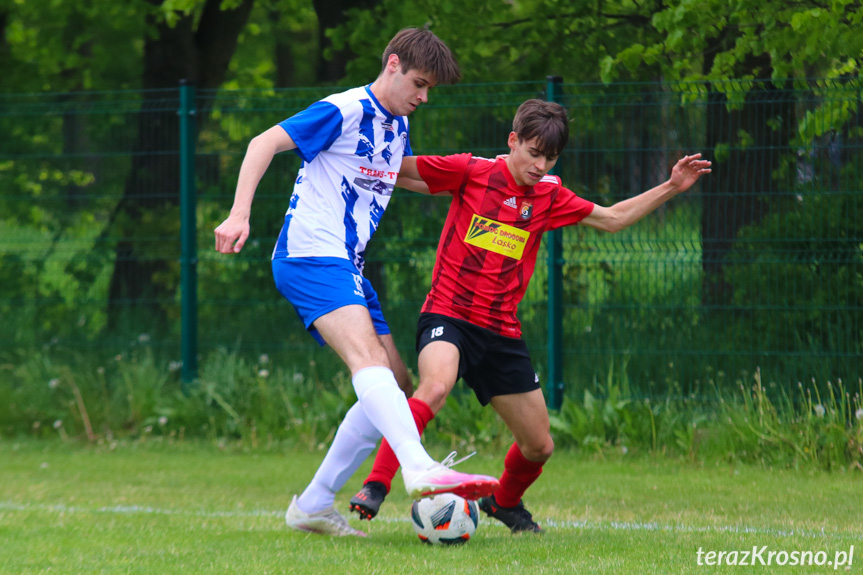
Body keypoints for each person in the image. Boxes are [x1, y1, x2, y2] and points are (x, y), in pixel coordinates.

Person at [348, 98, 712, 533]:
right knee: (436, 386)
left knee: (539, 445)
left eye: (551, 157)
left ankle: (504, 503)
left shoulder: (548, 195)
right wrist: (345, 154)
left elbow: (613, 218)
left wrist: (671, 186)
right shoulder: (471, 171)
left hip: (500, 331)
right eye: (534, 153)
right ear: (513, 141)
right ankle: (377, 483)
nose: (541, 165)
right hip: (449, 313)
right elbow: (397, 170)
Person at [213, 28, 499, 538]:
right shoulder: (345, 109)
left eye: (430, 88)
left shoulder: (397, 124)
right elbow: (264, 143)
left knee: (398, 382)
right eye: (418, 83)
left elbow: (408, 175)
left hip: (347, 264)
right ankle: (417, 466)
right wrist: (240, 214)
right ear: (391, 64)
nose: (423, 96)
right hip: (310, 255)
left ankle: (315, 504)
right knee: (369, 366)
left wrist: (492, 176)